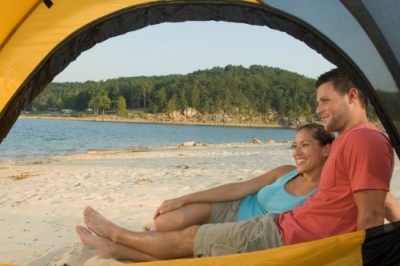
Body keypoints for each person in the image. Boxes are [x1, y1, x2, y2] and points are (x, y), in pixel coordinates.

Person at [76, 68, 395, 261]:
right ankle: (114, 249)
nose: (319, 108)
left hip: (285, 237)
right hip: (284, 227)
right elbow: (385, 204)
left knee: (192, 240)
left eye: (326, 100)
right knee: (192, 242)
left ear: (352, 96)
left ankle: (117, 237)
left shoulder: (364, 139)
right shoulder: (347, 141)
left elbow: (371, 213)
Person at [144, 123, 334, 232]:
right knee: (164, 221)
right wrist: (182, 199)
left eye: (305, 145)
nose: (297, 152)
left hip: (245, 232)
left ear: (325, 149)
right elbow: (237, 189)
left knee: (186, 235)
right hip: (234, 207)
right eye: (294, 145)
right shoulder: (286, 171)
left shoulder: (323, 193)